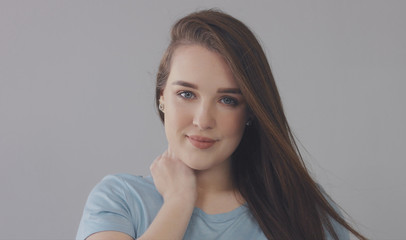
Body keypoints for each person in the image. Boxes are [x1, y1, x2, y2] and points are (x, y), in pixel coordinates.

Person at [76, 9, 367, 240]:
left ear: (251, 111)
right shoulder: (120, 199)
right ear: (162, 96)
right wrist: (178, 202)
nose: (203, 120)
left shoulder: (298, 206)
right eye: (186, 94)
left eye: (228, 100)